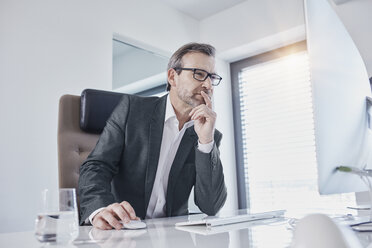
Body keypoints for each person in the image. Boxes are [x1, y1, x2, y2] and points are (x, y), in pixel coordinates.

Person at [78, 42, 227, 230]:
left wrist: (206, 142)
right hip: (123, 229)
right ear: (173, 77)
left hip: (172, 235)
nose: (208, 85)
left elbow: (211, 206)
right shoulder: (131, 110)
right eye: (199, 74)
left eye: (212, 77)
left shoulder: (208, 135)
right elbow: (96, 166)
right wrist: (100, 208)